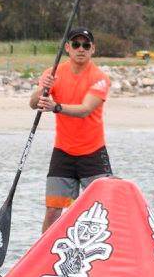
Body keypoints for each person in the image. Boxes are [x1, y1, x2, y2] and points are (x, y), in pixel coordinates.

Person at [32, 27, 112, 232]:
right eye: (76, 44)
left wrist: (56, 107)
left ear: (93, 49)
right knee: (52, 211)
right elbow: (33, 103)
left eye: (86, 45)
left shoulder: (100, 78)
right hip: (63, 153)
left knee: (104, 209)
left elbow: (85, 109)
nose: (81, 49)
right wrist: (43, 88)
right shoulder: (53, 73)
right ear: (67, 48)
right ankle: (44, 256)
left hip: (93, 153)